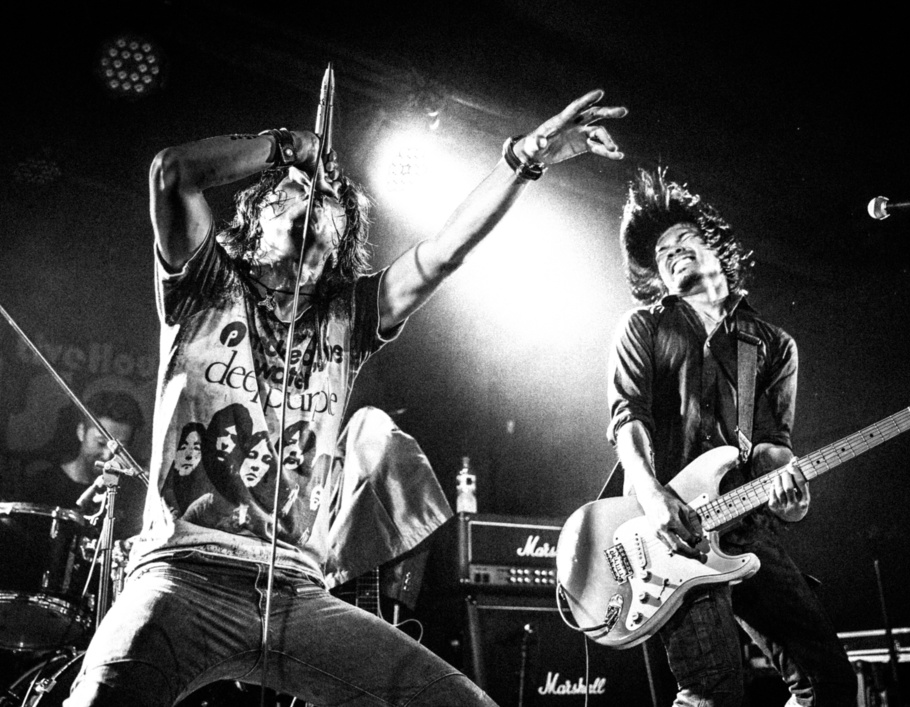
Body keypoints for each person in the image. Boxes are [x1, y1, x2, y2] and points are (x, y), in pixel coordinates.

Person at [65, 88, 626, 707]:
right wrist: (286, 147)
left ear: (340, 236)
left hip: (298, 594)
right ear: (260, 213)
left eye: (330, 196)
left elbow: (443, 253)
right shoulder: (205, 283)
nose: (317, 195)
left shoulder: (350, 315)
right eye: (298, 189)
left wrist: (524, 158)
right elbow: (172, 172)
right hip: (183, 576)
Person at [607, 168, 857, 706]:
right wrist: (653, 496)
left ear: (716, 245)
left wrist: (790, 494)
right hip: (669, 530)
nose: (672, 252)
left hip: (742, 524)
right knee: (714, 690)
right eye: (661, 253)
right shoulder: (643, 327)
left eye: (683, 239)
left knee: (831, 682)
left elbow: (771, 447)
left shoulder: (773, 344)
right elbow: (628, 418)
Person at [10, 390, 144, 520]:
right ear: (81, 432)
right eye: (101, 443)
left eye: (120, 449)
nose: (107, 455)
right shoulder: (40, 486)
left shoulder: (132, 497)